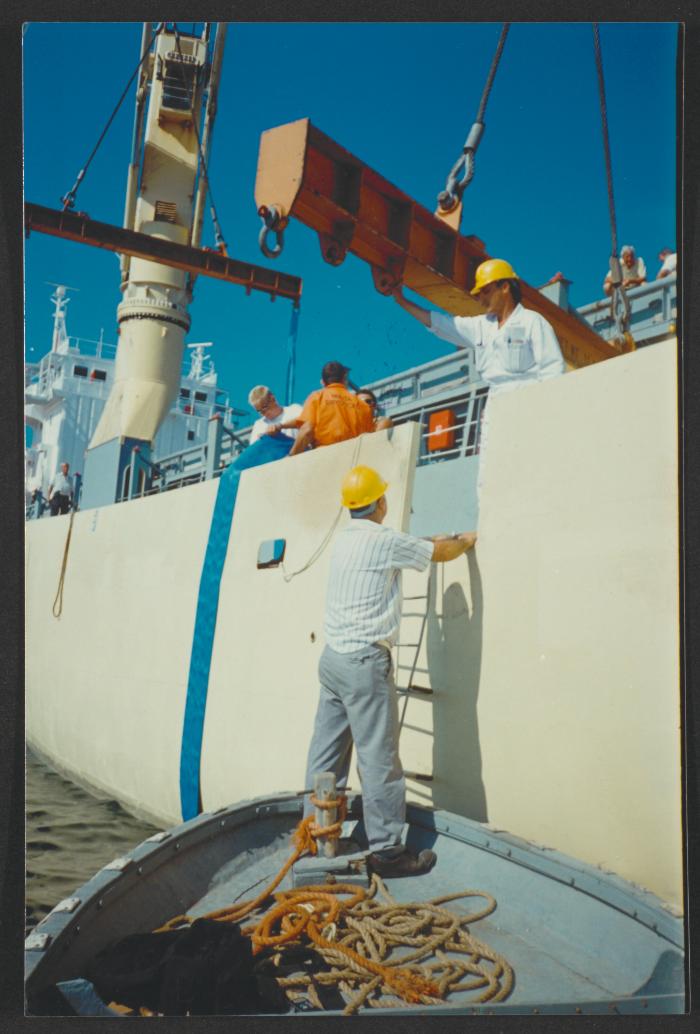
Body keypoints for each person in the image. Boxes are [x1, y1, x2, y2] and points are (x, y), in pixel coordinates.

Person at [303, 464, 477, 877]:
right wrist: (467, 540)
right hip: (364, 662)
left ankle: (318, 834)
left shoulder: (345, 540)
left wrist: (427, 541)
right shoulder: (384, 540)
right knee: (379, 759)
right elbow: (440, 552)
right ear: (381, 502)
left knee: (326, 752)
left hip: (333, 661)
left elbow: (410, 544)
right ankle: (386, 853)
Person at [392, 258, 565, 488]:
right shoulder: (481, 326)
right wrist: (401, 300)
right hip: (494, 408)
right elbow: (441, 324)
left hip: (528, 406)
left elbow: (553, 372)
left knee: (530, 471)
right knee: (489, 477)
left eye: (485, 291)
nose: (481, 299)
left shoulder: (533, 323)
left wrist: (544, 418)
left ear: (505, 287)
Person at [288, 361, 374, 457]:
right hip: (356, 458)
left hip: (326, 457)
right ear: (344, 379)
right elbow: (370, 437)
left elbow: (307, 430)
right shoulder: (363, 405)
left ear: (323, 382)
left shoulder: (317, 397)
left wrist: (291, 455)